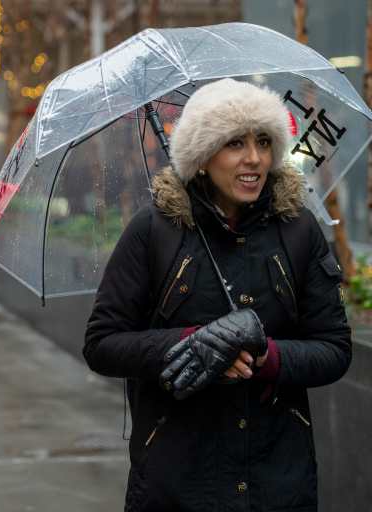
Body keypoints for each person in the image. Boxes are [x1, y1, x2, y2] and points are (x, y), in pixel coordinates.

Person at [84, 79, 351, 512]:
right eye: (234, 143)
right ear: (203, 157)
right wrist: (194, 342)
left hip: (278, 484)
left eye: (264, 142)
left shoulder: (298, 229)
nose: (254, 159)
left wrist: (267, 358)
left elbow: (335, 348)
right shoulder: (154, 231)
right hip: (178, 485)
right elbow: (101, 345)